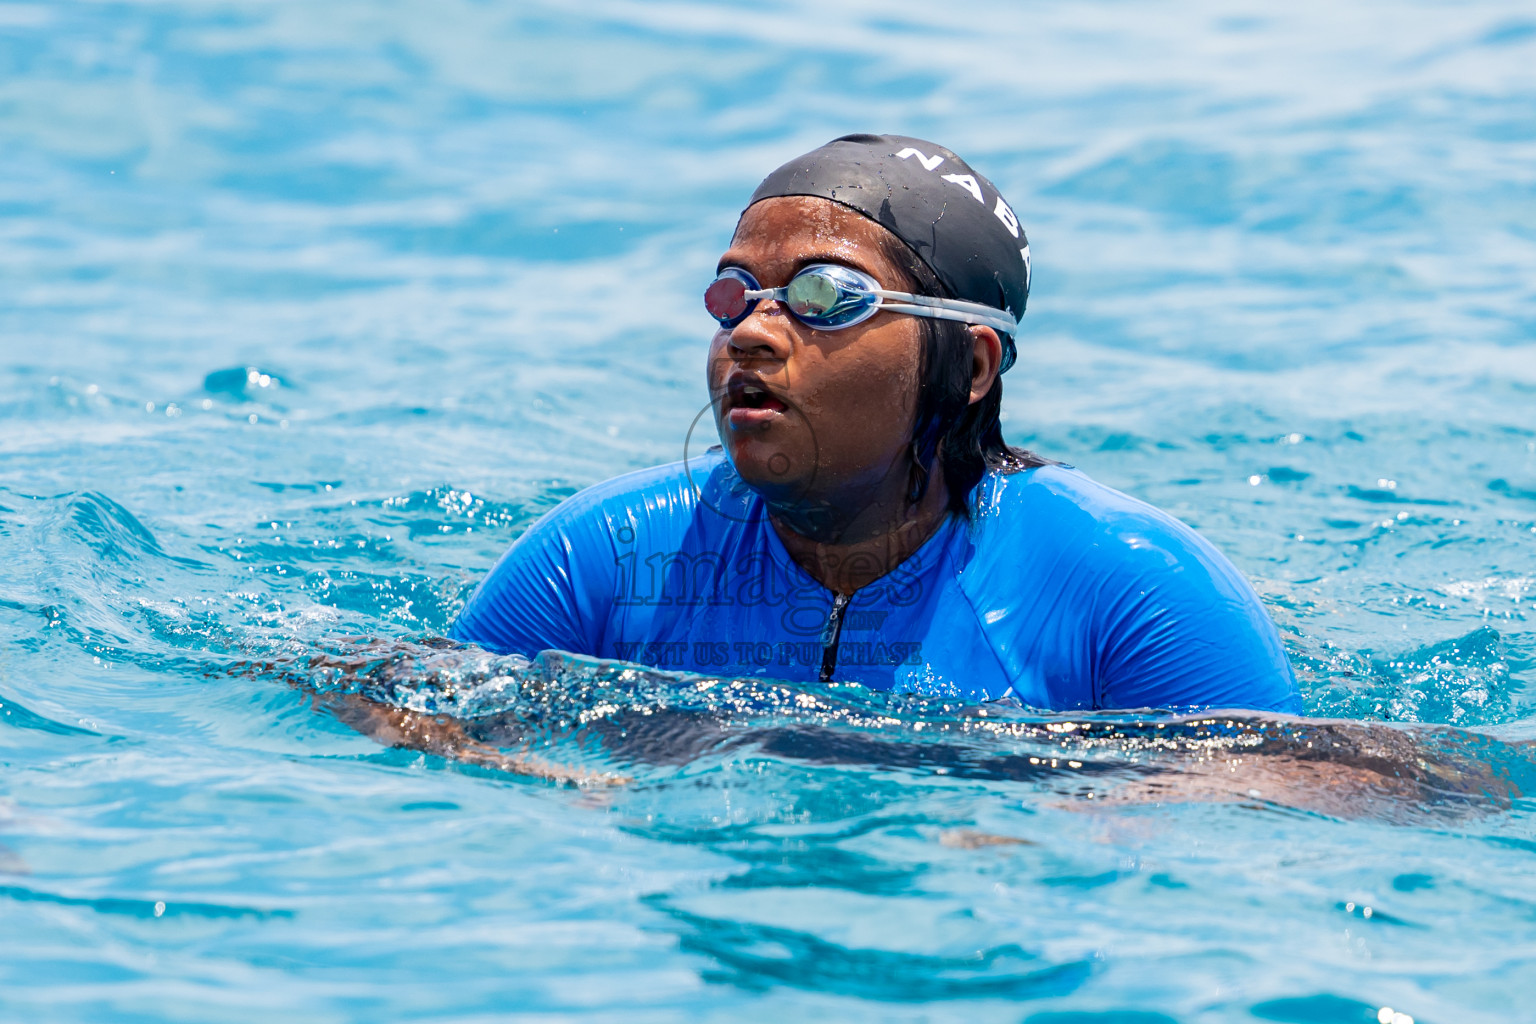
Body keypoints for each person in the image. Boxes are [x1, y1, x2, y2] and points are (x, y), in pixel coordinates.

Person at [450, 134, 1301, 714]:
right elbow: (399, 709)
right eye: (734, 295)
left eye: (825, 296)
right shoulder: (608, 553)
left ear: (970, 366)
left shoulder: (1129, 589)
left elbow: (1326, 793)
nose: (749, 330)